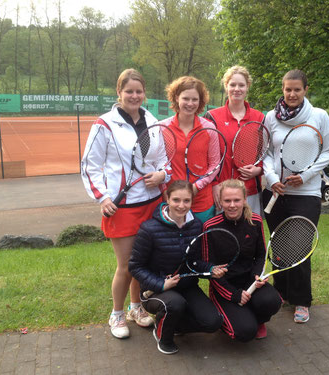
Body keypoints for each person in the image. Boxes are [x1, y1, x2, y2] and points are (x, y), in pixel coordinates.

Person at [81, 69, 169, 339]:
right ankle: (116, 314)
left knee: (141, 263)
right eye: (129, 91)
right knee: (127, 264)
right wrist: (103, 197)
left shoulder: (152, 120)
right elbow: (89, 166)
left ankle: (136, 308)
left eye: (139, 91)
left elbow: (163, 158)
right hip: (122, 206)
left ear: (144, 93)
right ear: (118, 92)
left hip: (151, 202)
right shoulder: (104, 124)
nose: (134, 96)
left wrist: (162, 174)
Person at [262, 69, 329, 323]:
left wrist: (304, 176)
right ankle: (281, 292)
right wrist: (271, 179)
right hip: (275, 194)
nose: (291, 94)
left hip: (306, 193)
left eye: (297, 89)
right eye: (287, 89)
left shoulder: (319, 116)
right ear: (282, 89)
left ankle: (302, 300)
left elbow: (328, 152)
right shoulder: (271, 117)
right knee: (279, 247)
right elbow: (266, 153)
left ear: (305, 90)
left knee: (300, 247)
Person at [128, 180, 225, 354]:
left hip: (187, 287)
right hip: (154, 291)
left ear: (192, 201)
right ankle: (163, 334)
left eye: (186, 201)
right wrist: (160, 284)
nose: (181, 206)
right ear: (167, 199)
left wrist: (210, 270)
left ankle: (173, 323)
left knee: (213, 322)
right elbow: (135, 267)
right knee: (175, 303)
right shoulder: (149, 229)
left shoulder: (196, 225)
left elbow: (195, 262)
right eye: (176, 200)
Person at [203, 179, 282, 342]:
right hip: (225, 287)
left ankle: (258, 319)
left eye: (237, 200)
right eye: (227, 200)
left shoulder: (255, 221)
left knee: (272, 301)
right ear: (220, 200)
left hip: (249, 282)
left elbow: (261, 255)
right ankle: (225, 316)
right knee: (245, 332)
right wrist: (233, 295)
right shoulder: (210, 227)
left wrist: (257, 275)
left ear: (245, 199)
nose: (232, 205)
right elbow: (209, 268)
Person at [159, 76, 221, 223]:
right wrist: (165, 191)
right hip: (173, 201)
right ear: (176, 98)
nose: (190, 103)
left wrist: (196, 187)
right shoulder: (162, 128)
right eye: (185, 98)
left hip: (202, 202)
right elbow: (158, 164)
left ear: (201, 101)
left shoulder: (209, 128)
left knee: (202, 245)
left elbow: (214, 165)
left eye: (195, 99)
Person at [205, 66, 265, 215]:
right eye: (232, 85)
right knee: (222, 237)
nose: (237, 89)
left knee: (249, 235)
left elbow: (266, 152)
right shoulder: (212, 117)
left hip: (250, 191)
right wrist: (214, 184)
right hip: (222, 192)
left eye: (241, 85)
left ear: (247, 87)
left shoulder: (260, 118)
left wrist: (259, 169)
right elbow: (205, 155)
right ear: (226, 86)